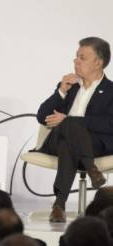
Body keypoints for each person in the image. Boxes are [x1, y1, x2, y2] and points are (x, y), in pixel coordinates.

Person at [37, 37, 112, 222]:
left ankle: (59, 204)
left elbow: (110, 124)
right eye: (76, 57)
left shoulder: (111, 91)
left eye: (82, 57)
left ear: (98, 63)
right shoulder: (69, 87)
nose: (75, 61)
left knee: (68, 137)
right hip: (56, 140)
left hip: (94, 144)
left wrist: (72, 120)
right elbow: (42, 117)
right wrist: (61, 91)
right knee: (67, 128)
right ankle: (91, 169)